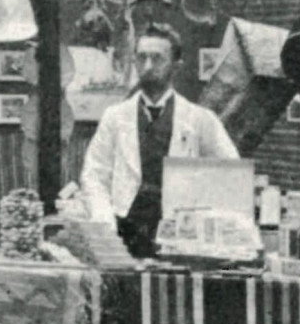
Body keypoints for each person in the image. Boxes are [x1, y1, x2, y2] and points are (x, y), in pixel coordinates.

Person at [78, 23, 239, 260]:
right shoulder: (115, 117)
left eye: (157, 59)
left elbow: (230, 174)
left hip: (180, 239)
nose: (148, 66)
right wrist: (105, 223)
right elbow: (94, 175)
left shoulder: (200, 120)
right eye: (141, 58)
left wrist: (202, 221)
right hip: (124, 234)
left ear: (177, 66)